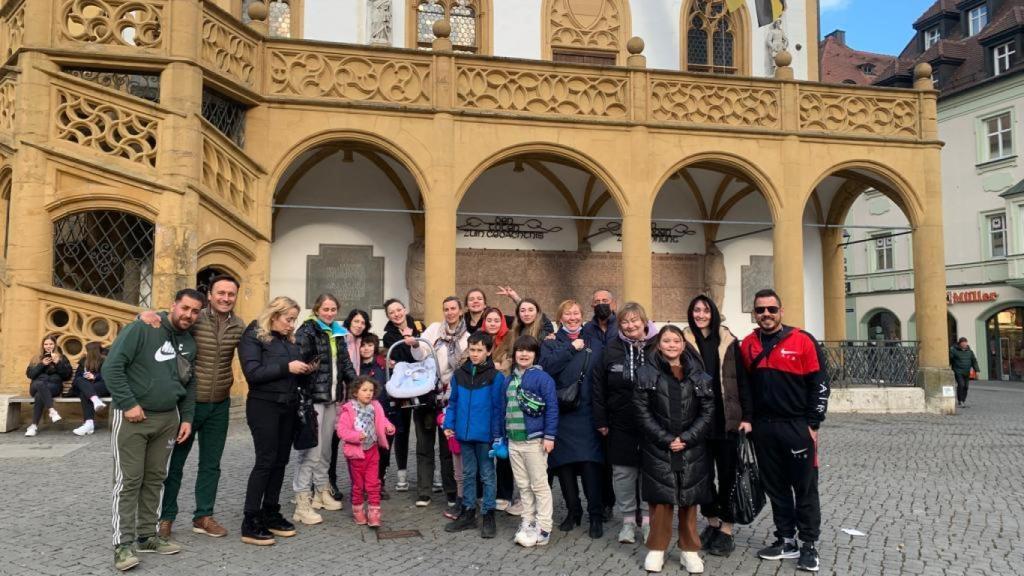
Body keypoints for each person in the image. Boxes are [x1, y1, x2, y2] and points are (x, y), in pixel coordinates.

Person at [104, 289, 201, 571]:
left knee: (156, 478)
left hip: (168, 418)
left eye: (195, 311)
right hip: (134, 417)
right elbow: (112, 367)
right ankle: (122, 544)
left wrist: (187, 417)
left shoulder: (189, 341)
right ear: (173, 305)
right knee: (128, 480)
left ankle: (147, 535)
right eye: (185, 308)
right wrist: (128, 403)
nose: (188, 315)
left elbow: (189, 382)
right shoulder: (143, 327)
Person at [739, 288, 830, 572]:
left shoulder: (803, 340)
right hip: (764, 428)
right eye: (760, 310)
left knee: (804, 488)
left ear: (781, 311)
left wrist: (813, 422)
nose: (766, 314)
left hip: (796, 426)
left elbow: (821, 384)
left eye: (771, 309)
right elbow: (745, 387)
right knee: (776, 488)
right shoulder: (748, 345)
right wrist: (748, 419)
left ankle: (809, 545)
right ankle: (786, 539)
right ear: (754, 313)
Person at [154, 274, 245, 540]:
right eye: (221, 293)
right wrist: (147, 315)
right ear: (210, 294)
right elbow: (169, 320)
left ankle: (203, 516)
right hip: (188, 405)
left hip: (220, 404)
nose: (226, 298)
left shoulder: (238, 325)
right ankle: (166, 517)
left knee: (211, 464)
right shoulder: (195, 318)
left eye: (231, 294)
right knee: (176, 463)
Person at [635, 325, 714, 574]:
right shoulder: (646, 373)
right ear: (659, 344)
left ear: (683, 344)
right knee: (661, 500)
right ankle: (657, 549)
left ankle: (689, 550)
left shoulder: (699, 374)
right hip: (659, 446)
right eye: (666, 341)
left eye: (676, 341)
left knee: (689, 499)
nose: (671, 345)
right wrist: (666, 438)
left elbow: (708, 410)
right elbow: (641, 410)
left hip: (692, 447)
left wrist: (687, 438)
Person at [237, 296, 313, 546]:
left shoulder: (288, 341)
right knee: (266, 461)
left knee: (281, 461)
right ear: (274, 315)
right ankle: (250, 519)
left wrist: (305, 371)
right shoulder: (253, 335)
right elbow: (253, 373)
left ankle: (270, 511)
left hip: (289, 406)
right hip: (264, 405)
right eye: (288, 319)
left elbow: (291, 372)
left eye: (294, 320)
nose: (292, 325)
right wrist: (287, 367)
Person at [682, 295, 748, 556]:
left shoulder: (729, 341)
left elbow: (742, 380)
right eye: (696, 310)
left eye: (705, 310)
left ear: (713, 314)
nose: (700, 315)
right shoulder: (683, 341)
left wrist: (747, 416)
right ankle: (711, 522)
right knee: (703, 476)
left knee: (729, 475)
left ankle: (727, 529)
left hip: (726, 419)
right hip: (697, 421)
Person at [592, 301, 656, 544]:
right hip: (620, 421)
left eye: (634, 320)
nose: (630, 325)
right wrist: (601, 419)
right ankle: (628, 521)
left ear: (644, 321)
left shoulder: (658, 346)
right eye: (625, 321)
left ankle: (649, 521)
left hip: (653, 422)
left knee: (650, 472)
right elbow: (598, 386)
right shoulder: (611, 349)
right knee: (623, 473)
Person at [542, 299, 606, 539]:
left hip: (587, 411)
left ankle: (596, 514)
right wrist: (570, 349)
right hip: (560, 411)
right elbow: (546, 368)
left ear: (582, 316)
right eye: (567, 314)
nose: (572, 317)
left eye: (576, 313)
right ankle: (573, 511)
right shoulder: (550, 343)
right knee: (563, 465)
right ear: (560, 318)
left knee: (590, 464)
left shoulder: (594, 341)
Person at [292, 293, 357, 524]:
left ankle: (321, 492)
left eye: (333, 309)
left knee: (327, 450)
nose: (329, 313)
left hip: (331, 399)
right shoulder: (307, 331)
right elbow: (301, 362)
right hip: (312, 399)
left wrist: (356, 386)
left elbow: (346, 364)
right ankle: (301, 500)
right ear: (317, 309)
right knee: (312, 451)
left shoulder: (337, 332)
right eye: (325, 309)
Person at [443, 332, 505, 539]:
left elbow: (498, 408)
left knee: (487, 475)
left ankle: (488, 513)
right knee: (468, 474)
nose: (475, 354)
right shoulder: (459, 374)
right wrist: (449, 424)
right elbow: (453, 403)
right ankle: (469, 511)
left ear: (489, 351)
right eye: (472, 349)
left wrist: (497, 435)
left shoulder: (495, 377)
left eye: (479, 350)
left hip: (485, 436)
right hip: (463, 434)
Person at [498, 335, 559, 548]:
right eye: (520, 350)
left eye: (529, 351)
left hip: (534, 442)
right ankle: (528, 521)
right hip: (514, 442)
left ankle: (544, 526)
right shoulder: (508, 380)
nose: (524, 354)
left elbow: (552, 408)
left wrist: (549, 436)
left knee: (539, 485)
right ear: (514, 354)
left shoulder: (543, 379)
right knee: (523, 485)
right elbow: (502, 410)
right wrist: (501, 438)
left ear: (535, 354)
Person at [414, 296, 470, 518]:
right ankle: (424, 491)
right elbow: (420, 354)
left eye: (453, 308)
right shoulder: (434, 330)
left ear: (460, 311)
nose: (449, 312)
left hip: (452, 397)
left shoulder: (467, 337)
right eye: (446, 308)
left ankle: (450, 490)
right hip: (429, 394)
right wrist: (415, 344)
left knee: (449, 447)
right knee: (424, 444)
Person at [336, 376, 396, 527]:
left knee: (373, 483)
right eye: (364, 390)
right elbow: (341, 431)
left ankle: (374, 513)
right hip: (356, 454)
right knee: (358, 485)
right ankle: (358, 511)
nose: (368, 393)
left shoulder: (375, 406)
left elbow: (381, 420)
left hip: (372, 450)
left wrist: (388, 427)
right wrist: (356, 436)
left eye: (371, 390)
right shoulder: (348, 410)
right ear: (355, 392)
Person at [381, 298, 423, 496]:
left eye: (399, 309)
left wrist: (413, 342)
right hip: (403, 387)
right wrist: (410, 343)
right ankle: (402, 472)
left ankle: (429, 473)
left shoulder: (418, 325)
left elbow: (424, 353)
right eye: (392, 312)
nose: (396, 314)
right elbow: (400, 359)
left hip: (422, 384)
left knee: (425, 428)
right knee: (402, 430)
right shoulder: (388, 336)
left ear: (405, 309)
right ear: (388, 316)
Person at [330, 308, 372, 498]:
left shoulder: (360, 342)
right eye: (356, 321)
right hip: (339, 397)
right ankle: (329, 483)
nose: (359, 325)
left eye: (362, 323)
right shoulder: (342, 338)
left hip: (353, 400)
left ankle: (359, 483)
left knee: (354, 442)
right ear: (349, 322)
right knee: (331, 443)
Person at [356, 333, 398, 500]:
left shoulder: (383, 364)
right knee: (366, 452)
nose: (366, 349)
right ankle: (365, 484)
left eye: (370, 345)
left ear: (375, 347)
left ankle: (380, 483)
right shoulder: (355, 366)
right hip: (363, 417)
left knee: (383, 451)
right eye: (363, 345)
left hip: (385, 414)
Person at [24, 334, 73, 436]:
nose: (48, 346)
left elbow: (67, 376)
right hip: (35, 386)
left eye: (51, 344)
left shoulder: (61, 358)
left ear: (55, 345)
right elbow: (30, 375)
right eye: (46, 344)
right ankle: (52, 410)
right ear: (43, 345)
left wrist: (58, 363)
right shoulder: (36, 358)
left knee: (39, 395)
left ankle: (33, 426)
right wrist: (42, 364)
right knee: (40, 384)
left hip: (53, 386)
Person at [71, 342, 109, 436]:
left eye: (87, 350)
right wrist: (85, 377)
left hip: (102, 386)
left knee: (85, 392)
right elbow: (76, 380)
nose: (85, 352)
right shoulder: (83, 361)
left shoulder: (105, 360)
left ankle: (89, 423)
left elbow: (109, 376)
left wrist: (95, 377)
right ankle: (96, 401)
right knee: (81, 381)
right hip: (88, 387)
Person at [949, 337, 979, 408]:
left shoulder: (970, 352)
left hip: (966, 372)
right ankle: (960, 401)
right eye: (963, 343)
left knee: (966, 386)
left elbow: (974, 361)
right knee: (961, 385)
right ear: (960, 344)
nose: (964, 344)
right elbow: (950, 359)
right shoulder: (954, 351)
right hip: (958, 371)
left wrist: (977, 371)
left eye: (965, 342)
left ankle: (963, 400)